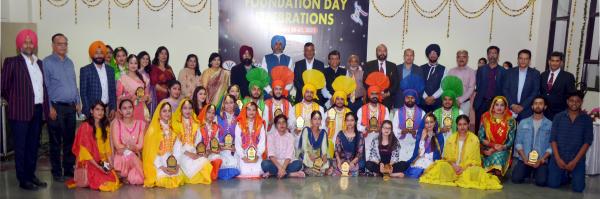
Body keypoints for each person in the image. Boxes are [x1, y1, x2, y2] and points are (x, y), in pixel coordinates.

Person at [2, 29, 49, 190]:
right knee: (21, 147)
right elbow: (4, 88)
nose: (28, 44)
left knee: (33, 146)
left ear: (34, 44)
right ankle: (23, 179)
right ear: (19, 45)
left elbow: (42, 87)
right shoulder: (11, 62)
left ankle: (31, 175)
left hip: (37, 110)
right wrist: (17, 101)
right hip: (20, 112)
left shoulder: (39, 63)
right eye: (25, 41)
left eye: (31, 42)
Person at [419, 115, 502, 190]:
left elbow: (475, 160)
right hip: (452, 167)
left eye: (465, 124)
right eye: (460, 124)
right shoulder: (451, 138)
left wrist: (463, 168)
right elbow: (446, 157)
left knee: (476, 171)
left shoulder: (474, 139)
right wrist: (454, 165)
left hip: (467, 168)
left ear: (468, 125)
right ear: (457, 126)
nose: (462, 127)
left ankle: (461, 176)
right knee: (440, 166)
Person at [43, 33, 81, 182]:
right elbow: (45, 86)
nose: (63, 46)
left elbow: (73, 84)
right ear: (53, 45)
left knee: (69, 141)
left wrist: (78, 102)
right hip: (56, 108)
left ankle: (68, 169)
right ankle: (56, 171)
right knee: (55, 141)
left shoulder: (70, 62)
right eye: (60, 44)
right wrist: (49, 107)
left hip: (71, 107)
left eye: (65, 43)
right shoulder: (47, 62)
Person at [548, 91, 593, 192]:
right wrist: (558, 159)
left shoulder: (587, 120)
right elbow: (553, 139)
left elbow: (587, 142)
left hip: (577, 159)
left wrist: (575, 161)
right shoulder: (558, 117)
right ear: (567, 102)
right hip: (559, 157)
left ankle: (569, 174)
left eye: (577, 101)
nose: (574, 103)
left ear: (581, 102)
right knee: (552, 184)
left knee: (578, 189)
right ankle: (565, 175)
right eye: (572, 101)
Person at [69, 102, 120, 191]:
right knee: (103, 183)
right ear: (91, 111)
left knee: (114, 180)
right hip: (90, 161)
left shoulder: (105, 126)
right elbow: (84, 152)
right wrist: (98, 166)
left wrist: (110, 163)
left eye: (102, 110)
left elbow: (107, 148)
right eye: (97, 109)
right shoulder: (85, 127)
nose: (100, 112)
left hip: (102, 160)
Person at [142, 101, 185, 188]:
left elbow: (178, 148)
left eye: (169, 111)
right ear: (159, 113)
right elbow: (152, 153)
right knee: (164, 179)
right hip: (158, 162)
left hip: (171, 161)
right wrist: (161, 167)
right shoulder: (153, 130)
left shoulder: (173, 129)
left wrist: (177, 164)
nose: (167, 113)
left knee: (177, 176)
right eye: (164, 111)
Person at [511, 96, 552, 186]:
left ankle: (535, 173)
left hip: (540, 160)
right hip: (525, 159)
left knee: (541, 182)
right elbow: (518, 143)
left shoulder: (550, 124)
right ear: (532, 106)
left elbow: (551, 146)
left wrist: (541, 160)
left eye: (541, 103)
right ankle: (528, 172)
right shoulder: (523, 122)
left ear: (545, 107)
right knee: (515, 179)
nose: (538, 106)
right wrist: (525, 158)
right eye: (535, 103)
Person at [173, 100, 213, 184]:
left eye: (190, 108)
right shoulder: (176, 124)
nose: (188, 111)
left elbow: (197, 142)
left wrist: (199, 153)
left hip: (194, 152)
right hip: (181, 153)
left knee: (205, 162)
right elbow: (176, 145)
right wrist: (188, 154)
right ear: (181, 110)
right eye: (185, 108)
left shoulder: (195, 124)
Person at [393, 74, 426, 176]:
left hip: (415, 145)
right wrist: (402, 131)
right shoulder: (398, 112)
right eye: (408, 98)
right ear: (404, 99)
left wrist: (415, 132)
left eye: (412, 98)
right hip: (401, 145)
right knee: (400, 165)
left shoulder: (422, 113)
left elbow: (424, 130)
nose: (410, 100)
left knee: (414, 166)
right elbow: (394, 129)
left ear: (416, 99)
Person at [479, 96, 516, 178]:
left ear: (505, 107)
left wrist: (498, 148)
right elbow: (481, 137)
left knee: (497, 168)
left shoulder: (510, 120)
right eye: (497, 105)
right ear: (493, 106)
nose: (499, 107)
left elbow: (511, 141)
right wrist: (491, 147)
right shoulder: (485, 118)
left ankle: (496, 172)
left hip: (502, 149)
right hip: (487, 148)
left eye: (502, 105)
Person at [110, 99, 145, 185]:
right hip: (121, 158)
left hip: (135, 156)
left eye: (130, 107)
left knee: (137, 179)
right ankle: (142, 174)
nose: (128, 110)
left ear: (133, 109)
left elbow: (140, 145)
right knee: (129, 153)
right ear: (120, 111)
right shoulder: (116, 123)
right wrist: (130, 148)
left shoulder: (140, 124)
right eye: (124, 108)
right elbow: (117, 146)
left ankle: (127, 176)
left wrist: (128, 147)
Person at [473, 46, 507, 134]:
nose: (492, 55)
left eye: (495, 53)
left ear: (498, 55)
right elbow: (478, 85)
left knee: (494, 129)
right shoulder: (481, 70)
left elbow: (504, 88)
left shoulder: (503, 71)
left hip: (496, 105)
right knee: (479, 128)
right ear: (487, 55)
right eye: (490, 53)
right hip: (481, 103)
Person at [80, 40, 117, 119]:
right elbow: (83, 93)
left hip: (107, 109)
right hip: (93, 111)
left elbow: (113, 91)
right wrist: (89, 110)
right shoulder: (85, 70)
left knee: (107, 131)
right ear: (91, 54)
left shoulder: (110, 70)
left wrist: (113, 108)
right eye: (96, 53)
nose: (99, 55)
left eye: (101, 53)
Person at [289, 69, 326, 146]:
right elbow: (290, 122)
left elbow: (322, 125)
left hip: (315, 140)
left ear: (314, 94)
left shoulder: (320, 108)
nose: (309, 94)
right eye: (307, 92)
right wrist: (294, 129)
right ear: (303, 93)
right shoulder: (295, 107)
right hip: (298, 139)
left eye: (311, 92)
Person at [503, 49, 540, 121]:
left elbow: (535, 91)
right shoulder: (509, 72)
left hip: (526, 110)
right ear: (517, 59)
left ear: (529, 61)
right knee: (509, 131)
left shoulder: (535, 73)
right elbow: (505, 89)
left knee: (524, 132)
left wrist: (523, 106)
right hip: (510, 109)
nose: (523, 61)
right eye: (521, 58)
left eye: (526, 59)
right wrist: (512, 105)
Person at [405, 113, 444, 178]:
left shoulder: (439, 136)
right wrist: (423, 138)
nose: (429, 125)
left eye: (431, 122)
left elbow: (438, 154)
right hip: (421, 159)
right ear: (424, 124)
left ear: (435, 123)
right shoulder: (421, 134)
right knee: (414, 172)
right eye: (426, 123)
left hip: (433, 161)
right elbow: (420, 153)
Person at [325, 76, 355, 158]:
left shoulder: (349, 112)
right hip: (331, 140)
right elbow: (323, 128)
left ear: (345, 100)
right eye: (337, 99)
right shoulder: (329, 111)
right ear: (334, 100)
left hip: (345, 141)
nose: (339, 101)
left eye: (342, 99)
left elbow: (353, 128)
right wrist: (326, 123)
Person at [235, 102, 267, 178]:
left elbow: (262, 141)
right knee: (244, 172)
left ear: (256, 112)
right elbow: (237, 141)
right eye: (249, 110)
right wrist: (243, 156)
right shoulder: (239, 124)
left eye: (253, 110)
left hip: (256, 153)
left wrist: (258, 155)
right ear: (245, 111)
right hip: (243, 153)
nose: (251, 112)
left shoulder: (260, 124)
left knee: (257, 172)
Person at [540, 51, 576, 119]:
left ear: (561, 63)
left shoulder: (568, 76)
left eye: (557, 61)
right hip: (544, 113)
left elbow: (571, 96)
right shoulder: (543, 75)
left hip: (560, 114)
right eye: (552, 60)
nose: (554, 63)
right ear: (549, 62)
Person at [363, 44, 398, 109]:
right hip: (372, 99)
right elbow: (365, 81)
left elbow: (395, 83)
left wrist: (388, 93)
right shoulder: (368, 65)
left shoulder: (393, 66)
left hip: (387, 99)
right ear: (376, 52)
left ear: (387, 53)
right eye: (380, 51)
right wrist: (374, 93)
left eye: (384, 51)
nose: (382, 53)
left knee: (385, 118)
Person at [117, 54, 151, 121]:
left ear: (138, 65)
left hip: (141, 108)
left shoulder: (143, 78)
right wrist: (130, 97)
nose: (133, 65)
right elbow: (119, 97)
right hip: (128, 109)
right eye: (131, 63)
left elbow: (147, 95)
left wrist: (145, 98)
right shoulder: (122, 79)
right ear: (127, 64)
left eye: (135, 63)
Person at [215, 95, 242, 179]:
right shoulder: (217, 118)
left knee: (235, 165)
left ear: (235, 104)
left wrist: (235, 147)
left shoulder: (239, 119)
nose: (229, 105)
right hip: (221, 149)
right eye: (226, 103)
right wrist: (219, 146)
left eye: (231, 102)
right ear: (223, 105)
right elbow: (214, 135)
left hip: (234, 149)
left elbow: (241, 137)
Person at [196, 104, 224, 181]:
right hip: (201, 153)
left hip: (211, 152)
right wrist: (204, 152)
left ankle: (212, 176)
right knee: (204, 161)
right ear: (204, 112)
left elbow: (216, 140)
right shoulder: (199, 126)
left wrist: (217, 148)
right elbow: (196, 143)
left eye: (213, 113)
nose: (211, 115)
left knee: (218, 159)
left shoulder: (215, 127)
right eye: (209, 112)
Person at [432, 76, 465, 141]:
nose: (447, 102)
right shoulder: (435, 113)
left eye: (450, 99)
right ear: (442, 100)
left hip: (455, 142)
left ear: (453, 101)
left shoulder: (460, 113)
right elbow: (430, 131)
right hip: (439, 143)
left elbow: (464, 130)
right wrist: (440, 130)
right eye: (445, 99)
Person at [300, 111, 330, 176]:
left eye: (319, 119)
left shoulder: (323, 132)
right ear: (311, 121)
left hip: (318, 157)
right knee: (306, 157)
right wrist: (310, 155)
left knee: (326, 161)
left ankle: (313, 170)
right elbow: (304, 147)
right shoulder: (306, 130)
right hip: (308, 155)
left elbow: (324, 148)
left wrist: (324, 156)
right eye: (315, 119)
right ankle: (310, 169)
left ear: (321, 120)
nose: (317, 121)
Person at [264, 66, 293, 131]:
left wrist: (286, 124)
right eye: (276, 89)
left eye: (280, 89)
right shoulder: (266, 103)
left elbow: (292, 120)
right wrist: (270, 122)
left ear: (282, 91)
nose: (278, 91)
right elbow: (263, 120)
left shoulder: (287, 104)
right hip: (270, 134)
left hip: (284, 134)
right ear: (273, 90)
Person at [420, 44, 447, 113]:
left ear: (438, 55)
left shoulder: (444, 69)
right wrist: (426, 97)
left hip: (437, 102)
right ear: (428, 55)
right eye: (431, 53)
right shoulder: (420, 68)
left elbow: (443, 86)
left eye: (435, 53)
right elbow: (419, 85)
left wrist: (433, 97)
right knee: (423, 122)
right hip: (423, 102)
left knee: (437, 122)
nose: (433, 55)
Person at [448, 50, 476, 115]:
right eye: (459, 57)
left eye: (464, 57)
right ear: (456, 58)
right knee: (451, 122)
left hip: (465, 103)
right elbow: (448, 87)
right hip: (451, 102)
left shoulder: (471, 72)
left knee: (463, 123)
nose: (461, 59)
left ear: (467, 58)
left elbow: (471, 89)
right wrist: (454, 100)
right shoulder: (451, 71)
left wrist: (460, 101)